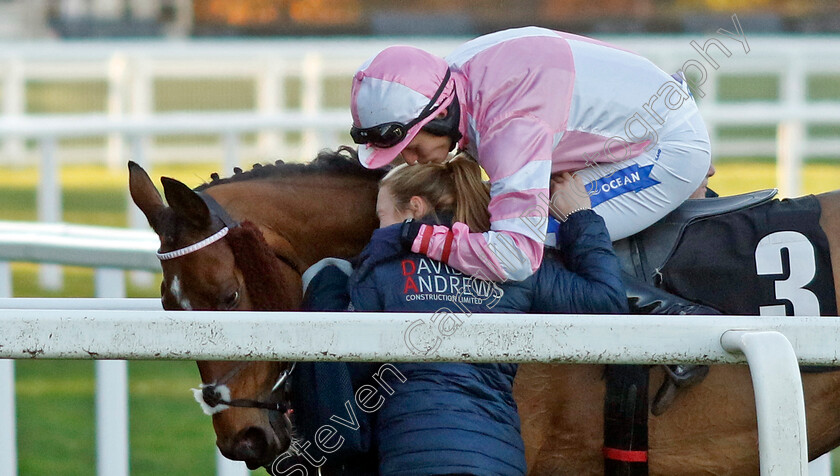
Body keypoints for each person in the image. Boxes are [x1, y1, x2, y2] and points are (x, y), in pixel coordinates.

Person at [299, 152, 628, 476]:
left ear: (415, 207)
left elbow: (349, 379)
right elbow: (607, 302)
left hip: (410, 460)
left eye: (382, 216)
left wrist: (327, 287)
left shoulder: (382, 270)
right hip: (499, 459)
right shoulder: (515, 263)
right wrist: (580, 216)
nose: (378, 230)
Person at [349, 26, 712, 283]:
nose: (410, 160)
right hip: (636, 117)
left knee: (540, 234)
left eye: (412, 145)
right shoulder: (454, 74)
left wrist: (420, 237)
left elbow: (515, 258)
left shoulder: (508, 127)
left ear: (441, 114)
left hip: (669, 149)